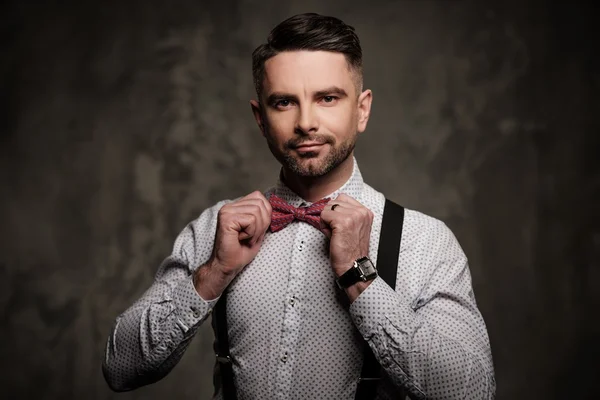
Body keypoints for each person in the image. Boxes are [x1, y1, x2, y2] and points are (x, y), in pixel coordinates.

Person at [102, 13, 496, 400]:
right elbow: (120, 368)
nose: (306, 122)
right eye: (284, 102)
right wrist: (214, 273)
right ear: (260, 118)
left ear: (361, 110)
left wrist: (361, 278)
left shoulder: (424, 241)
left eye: (327, 98)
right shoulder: (215, 229)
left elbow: (474, 392)